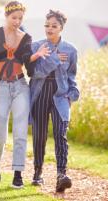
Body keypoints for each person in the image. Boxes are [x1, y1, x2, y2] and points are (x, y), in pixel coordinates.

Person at [0, 1, 50, 188]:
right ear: (6, 16)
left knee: (20, 133)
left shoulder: (26, 38)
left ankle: (18, 173)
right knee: (0, 133)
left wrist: (35, 57)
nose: (17, 21)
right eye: (14, 18)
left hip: (20, 86)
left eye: (20, 18)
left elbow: (27, 65)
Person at [30, 10, 79, 192]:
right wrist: (54, 59)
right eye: (47, 25)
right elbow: (35, 72)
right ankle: (37, 173)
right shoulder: (36, 47)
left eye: (54, 26)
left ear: (61, 28)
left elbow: (72, 75)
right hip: (40, 92)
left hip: (61, 95)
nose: (49, 29)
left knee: (61, 134)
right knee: (40, 134)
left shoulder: (71, 50)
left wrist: (72, 95)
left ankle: (61, 175)